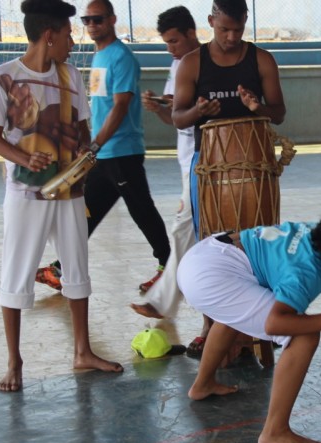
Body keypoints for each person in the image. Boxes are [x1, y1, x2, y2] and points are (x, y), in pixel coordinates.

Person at [0, 0, 123, 392]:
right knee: (16, 273)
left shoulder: (71, 76)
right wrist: (25, 156)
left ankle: (83, 351)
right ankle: (15, 362)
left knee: (76, 269)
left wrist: (81, 152)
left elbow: (80, 127)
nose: (73, 42)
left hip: (70, 190)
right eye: (67, 34)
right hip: (26, 192)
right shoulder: (1, 78)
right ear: (49, 35)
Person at [177, 206, 321, 443]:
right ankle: (274, 432)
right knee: (304, 335)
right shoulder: (308, 271)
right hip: (211, 277)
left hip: (204, 256)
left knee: (236, 310)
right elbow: (276, 323)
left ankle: (202, 385)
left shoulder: (319, 232)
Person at [171, 0, 286, 355]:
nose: (232, 37)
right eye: (224, 30)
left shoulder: (261, 59)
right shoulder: (192, 63)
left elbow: (278, 113)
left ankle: (263, 327)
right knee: (212, 247)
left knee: (259, 244)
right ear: (211, 22)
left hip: (255, 166)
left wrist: (258, 108)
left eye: (238, 29)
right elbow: (177, 117)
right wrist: (197, 111)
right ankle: (212, 329)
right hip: (209, 167)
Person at [36, 0, 172, 294]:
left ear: (112, 19)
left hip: (121, 151)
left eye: (98, 19)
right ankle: (60, 269)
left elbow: (120, 106)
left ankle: (168, 267)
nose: (92, 25)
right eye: (87, 20)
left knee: (141, 209)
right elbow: (101, 105)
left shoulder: (121, 57)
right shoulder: (100, 57)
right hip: (104, 153)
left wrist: (95, 144)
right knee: (88, 212)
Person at [130, 6, 200, 322]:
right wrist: (159, 106)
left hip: (204, 161)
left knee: (182, 229)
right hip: (187, 161)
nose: (171, 48)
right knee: (189, 233)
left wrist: (177, 105)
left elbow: (193, 109)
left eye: (174, 41)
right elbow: (176, 118)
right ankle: (168, 300)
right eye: (167, 43)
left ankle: (165, 300)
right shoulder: (177, 65)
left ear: (191, 33)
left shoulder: (204, 63)